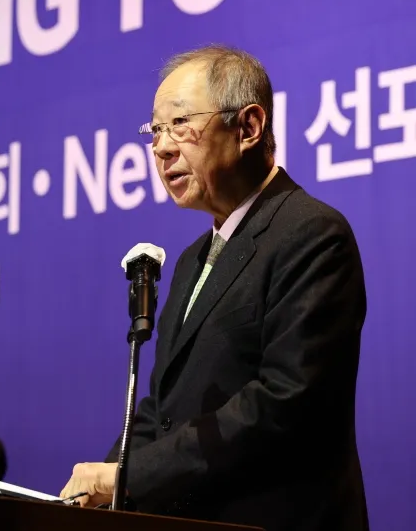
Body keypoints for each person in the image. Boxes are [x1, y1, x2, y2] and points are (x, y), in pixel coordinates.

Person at [60, 44, 369, 531]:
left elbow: (283, 403)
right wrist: (101, 489)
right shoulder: (189, 262)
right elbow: (160, 410)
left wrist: (130, 477)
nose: (161, 148)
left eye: (181, 124)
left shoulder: (311, 234)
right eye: (155, 130)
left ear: (247, 127)